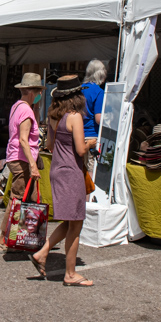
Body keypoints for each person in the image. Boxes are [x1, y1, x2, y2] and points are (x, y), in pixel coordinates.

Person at [28, 75, 93, 287]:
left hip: (57, 169)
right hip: (71, 172)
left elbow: (50, 145)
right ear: (76, 96)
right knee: (76, 225)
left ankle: (43, 252)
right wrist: (90, 143)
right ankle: (70, 273)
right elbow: (81, 150)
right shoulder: (75, 117)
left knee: (70, 220)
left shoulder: (54, 115)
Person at [0, 72, 45, 254]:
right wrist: (33, 165)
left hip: (18, 157)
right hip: (21, 159)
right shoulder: (25, 110)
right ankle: (4, 237)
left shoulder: (19, 106)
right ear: (33, 92)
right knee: (17, 199)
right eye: (39, 91)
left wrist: (37, 109)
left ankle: (26, 236)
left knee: (29, 198)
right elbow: (24, 140)